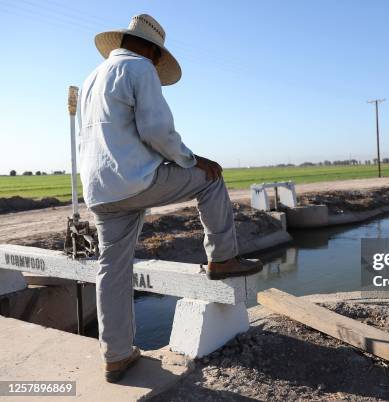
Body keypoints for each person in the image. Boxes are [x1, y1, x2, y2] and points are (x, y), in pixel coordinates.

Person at [78, 14, 263, 383]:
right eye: (158, 55)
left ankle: (115, 356)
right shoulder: (139, 68)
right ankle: (223, 258)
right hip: (135, 180)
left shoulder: (90, 78)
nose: (157, 62)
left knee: (111, 269)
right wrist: (194, 161)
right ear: (150, 48)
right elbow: (157, 131)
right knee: (210, 180)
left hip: (99, 190)